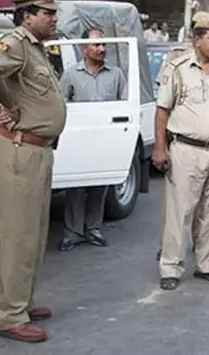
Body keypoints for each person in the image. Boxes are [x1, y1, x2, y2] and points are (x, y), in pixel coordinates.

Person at [0, 0, 67, 343]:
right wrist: (8, 104)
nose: (54, 18)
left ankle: (23, 302)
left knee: (35, 231)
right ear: (27, 16)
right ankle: (10, 315)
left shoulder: (36, 49)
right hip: (20, 148)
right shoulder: (15, 43)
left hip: (38, 149)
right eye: (48, 12)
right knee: (18, 234)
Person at [153, 12, 209, 291]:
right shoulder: (179, 68)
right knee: (179, 211)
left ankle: (208, 265)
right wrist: (160, 148)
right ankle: (171, 267)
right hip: (186, 150)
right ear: (196, 39)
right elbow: (162, 111)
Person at [57, 27, 127, 252]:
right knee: (75, 187)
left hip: (105, 139)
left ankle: (93, 229)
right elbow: (61, 104)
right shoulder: (71, 74)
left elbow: (123, 103)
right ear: (84, 48)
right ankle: (73, 232)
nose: (102, 49)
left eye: (103, 44)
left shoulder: (116, 74)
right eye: (96, 45)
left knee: (100, 186)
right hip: (79, 140)